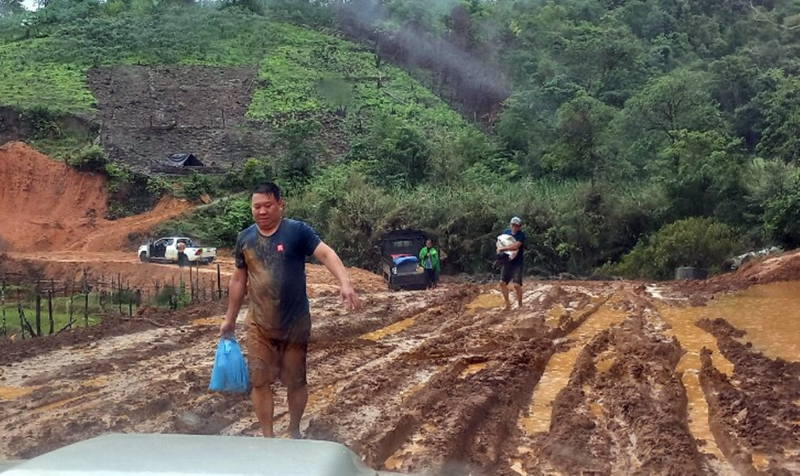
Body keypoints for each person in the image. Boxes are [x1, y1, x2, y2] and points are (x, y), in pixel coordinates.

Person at [219, 182, 361, 439]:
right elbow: (238, 280)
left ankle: (293, 429)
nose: (262, 211)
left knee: (295, 380)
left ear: (280, 205)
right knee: (260, 379)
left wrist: (345, 283)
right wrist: (229, 319)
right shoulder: (245, 239)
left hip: (294, 323)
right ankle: (268, 438)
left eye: (268, 205)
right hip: (259, 325)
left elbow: (326, 254)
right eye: (257, 207)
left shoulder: (297, 231)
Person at [497, 216, 526, 310]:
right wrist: (498, 248)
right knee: (502, 282)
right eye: (513, 225)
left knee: (517, 285)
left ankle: (520, 305)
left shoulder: (521, 235)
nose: (514, 227)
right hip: (507, 261)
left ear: (520, 227)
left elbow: (515, 246)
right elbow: (500, 242)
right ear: (510, 225)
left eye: (516, 226)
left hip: (517, 262)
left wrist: (502, 249)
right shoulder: (506, 233)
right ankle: (507, 304)